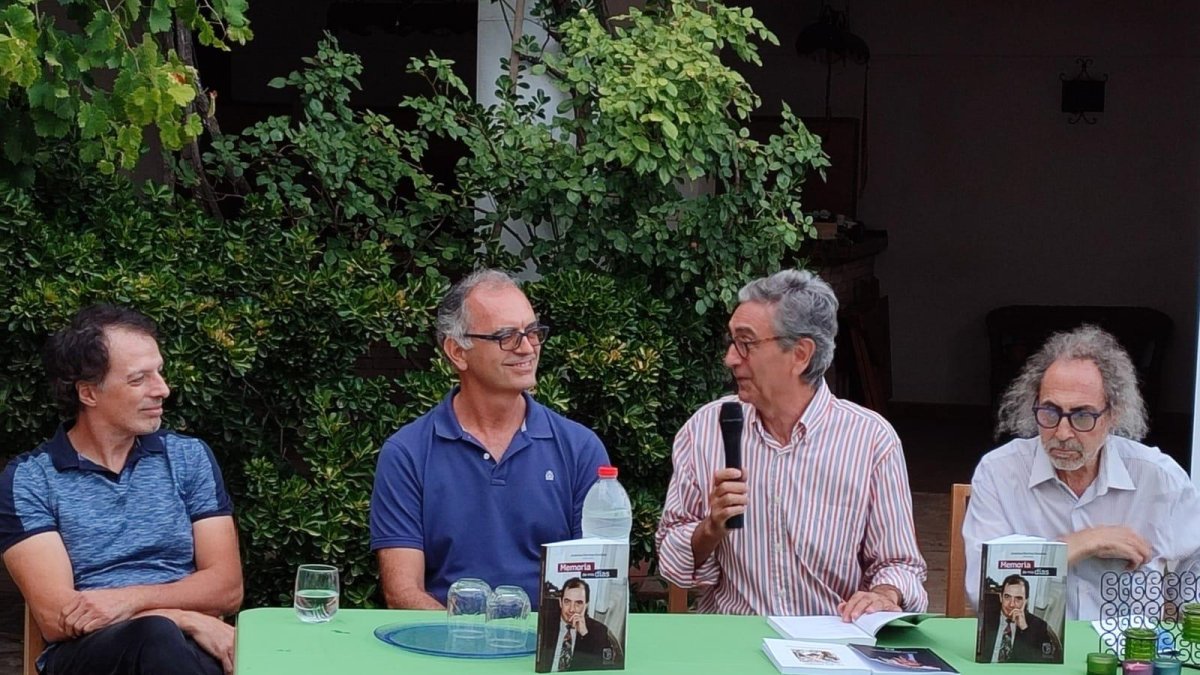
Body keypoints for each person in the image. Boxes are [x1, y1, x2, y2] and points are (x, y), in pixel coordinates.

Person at [655, 269, 928, 618]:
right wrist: (710, 528)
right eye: (732, 342)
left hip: (832, 643)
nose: (730, 358)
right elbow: (673, 566)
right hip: (734, 644)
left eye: (746, 343)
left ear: (800, 354)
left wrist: (884, 594)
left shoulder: (870, 439)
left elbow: (899, 564)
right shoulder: (706, 429)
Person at [0, 305, 243, 675]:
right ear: (88, 393)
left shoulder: (188, 458)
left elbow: (227, 588)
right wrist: (182, 617)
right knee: (156, 637)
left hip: (191, 649)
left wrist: (134, 603)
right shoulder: (32, 479)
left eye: (159, 372)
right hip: (89, 654)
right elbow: (56, 617)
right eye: (138, 379)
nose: (162, 389)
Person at [370, 269, 610, 609]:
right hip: (446, 649)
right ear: (457, 352)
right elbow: (403, 592)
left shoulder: (580, 449)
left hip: (543, 652)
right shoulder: (407, 453)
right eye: (506, 336)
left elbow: (595, 584)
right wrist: (468, 644)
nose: (527, 347)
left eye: (532, 332)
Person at [963, 325, 1200, 620]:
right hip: (1033, 656)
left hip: (1126, 657)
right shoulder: (999, 472)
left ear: (1113, 414)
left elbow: (1194, 575)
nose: (1062, 432)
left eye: (1082, 416)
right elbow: (981, 593)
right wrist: (1076, 545)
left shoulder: (1160, 480)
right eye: (1050, 412)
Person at [541, 577, 619, 672]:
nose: (571, 609)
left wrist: (585, 635)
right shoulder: (545, 623)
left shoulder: (599, 631)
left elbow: (602, 668)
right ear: (560, 603)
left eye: (578, 603)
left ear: (586, 606)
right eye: (567, 602)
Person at [978, 575, 1061, 662]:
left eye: (1018, 599)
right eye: (1007, 597)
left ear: (1026, 601)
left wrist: (1025, 630)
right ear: (1001, 597)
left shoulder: (1039, 627)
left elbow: (1042, 663)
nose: (1011, 604)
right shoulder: (985, 618)